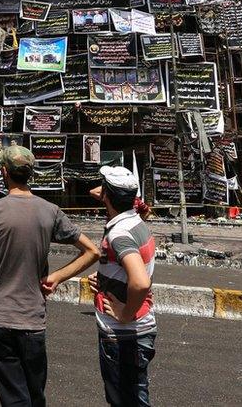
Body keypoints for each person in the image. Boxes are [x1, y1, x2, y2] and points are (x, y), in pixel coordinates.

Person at [0, 146, 101, 407]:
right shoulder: (50, 211)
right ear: (30, 174)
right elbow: (92, 251)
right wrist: (57, 277)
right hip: (33, 321)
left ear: (4, 172)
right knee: (35, 396)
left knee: (14, 398)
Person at [83, 166, 157, 406]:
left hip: (122, 334)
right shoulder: (135, 219)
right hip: (136, 330)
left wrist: (125, 313)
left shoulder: (120, 234)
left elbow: (140, 281)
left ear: (106, 194)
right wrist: (106, 278)